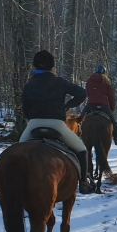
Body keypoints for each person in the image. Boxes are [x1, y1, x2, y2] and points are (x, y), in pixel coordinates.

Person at [19, 49, 93, 194]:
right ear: (52, 66)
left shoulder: (29, 86)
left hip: (33, 124)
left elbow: (25, 109)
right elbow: (82, 93)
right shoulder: (59, 82)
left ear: (35, 66)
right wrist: (69, 104)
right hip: (57, 125)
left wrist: (33, 119)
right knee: (81, 149)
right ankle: (83, 182)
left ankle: (15, 182)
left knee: (17, 151)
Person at [84, 65, 117, 145]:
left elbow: (87, 92)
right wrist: (112, 108)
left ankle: (77, 136)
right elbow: (111, 96)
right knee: (113, 122)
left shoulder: (89, 80)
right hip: (103, 106)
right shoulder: (106, 82)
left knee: (80, 119)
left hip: (91, 105)